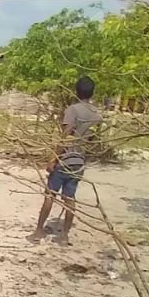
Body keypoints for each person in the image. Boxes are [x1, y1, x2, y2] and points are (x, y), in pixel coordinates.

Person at [30, 76, 103, 244]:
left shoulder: (72, 110)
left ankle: (39, 232)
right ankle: (64, 236)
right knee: (70, 198)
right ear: (92, 93)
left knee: (50, 195)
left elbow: (65, 136)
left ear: (76, 91)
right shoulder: (96, 115)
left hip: (65, 159)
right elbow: (94, 141)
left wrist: (53, 158)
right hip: (79, 161)